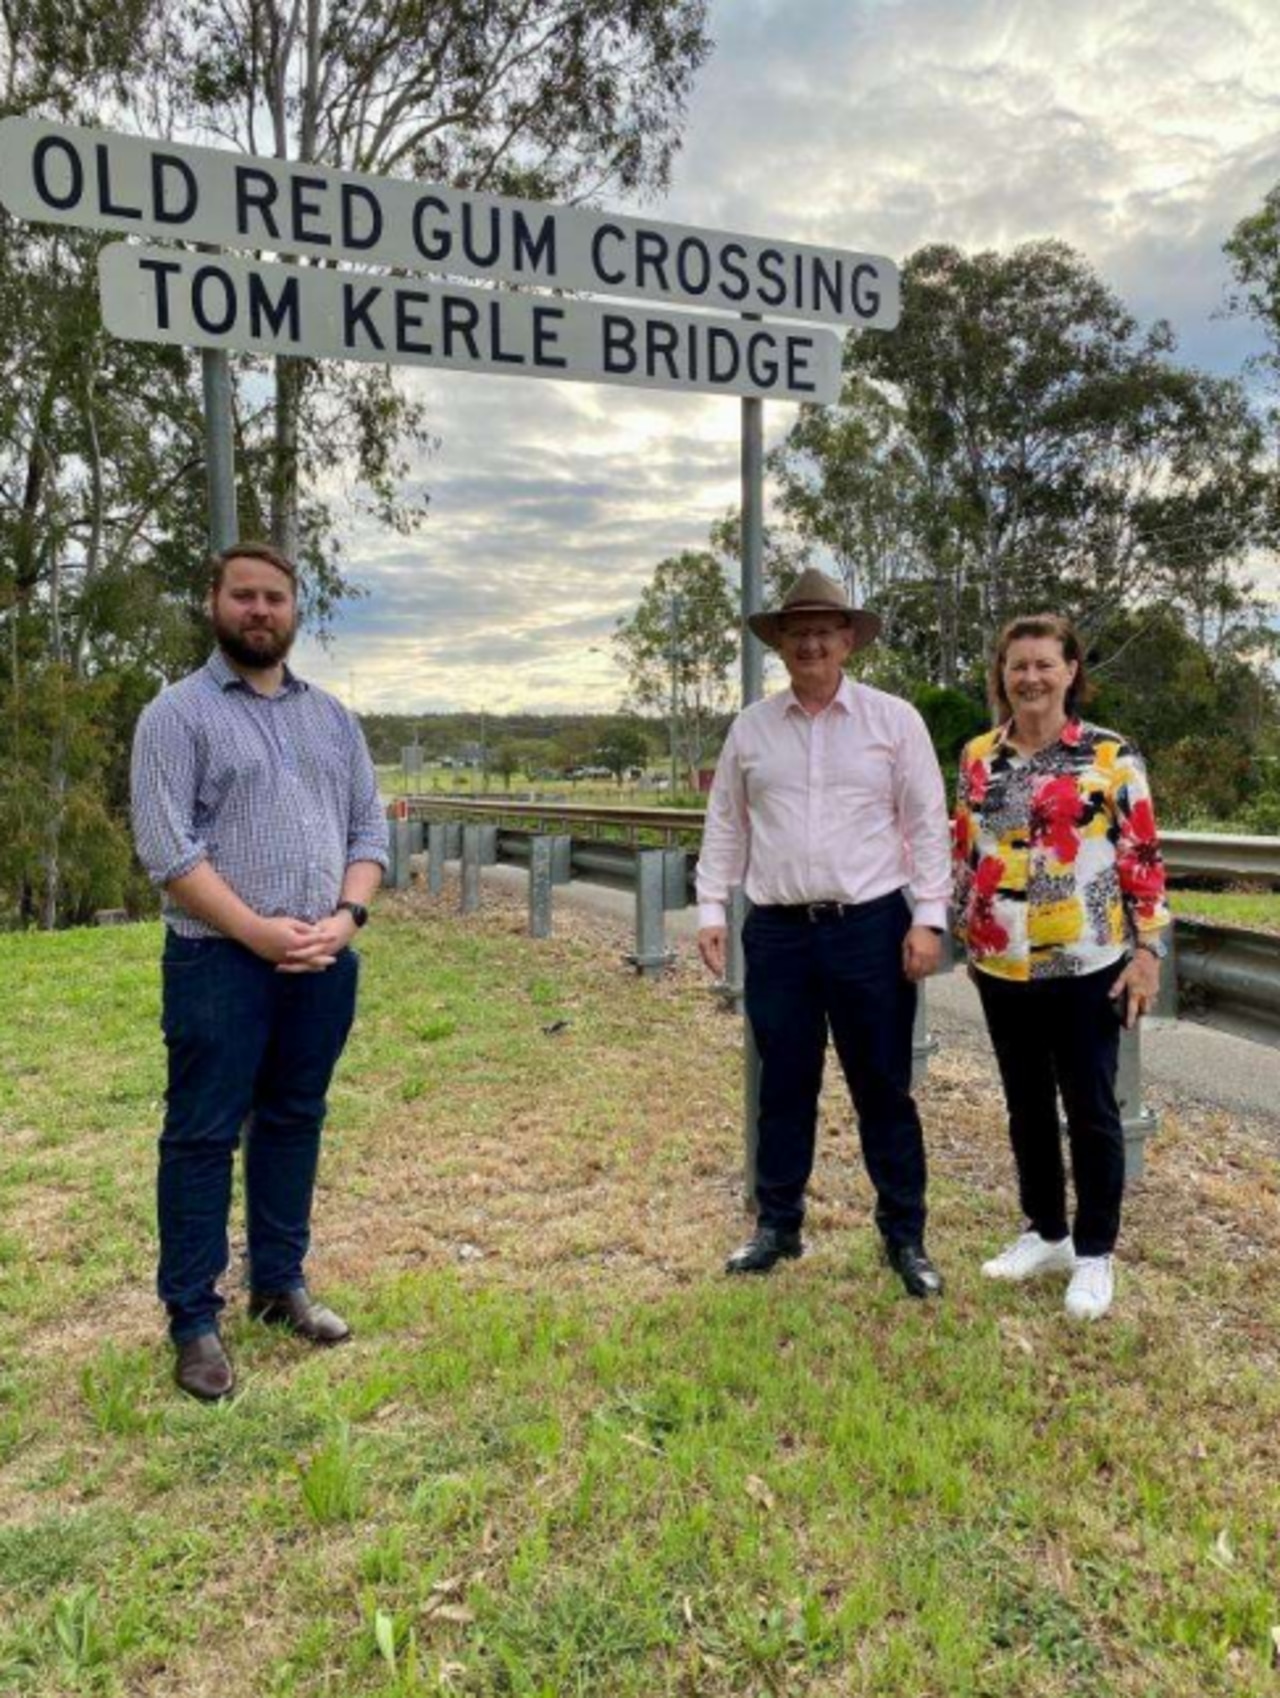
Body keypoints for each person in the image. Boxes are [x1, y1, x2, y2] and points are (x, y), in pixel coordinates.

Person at [131, 540, 389, 1400]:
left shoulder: (333, 719)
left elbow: (369, 836)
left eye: (275, 598)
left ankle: (280, 1285)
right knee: (203, 1132)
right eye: (243, 595)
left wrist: (344, 921)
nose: (259, 611)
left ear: (295, 612)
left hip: (322, 961)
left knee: (293, 1119)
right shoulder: (177, 714)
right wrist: (257, 933)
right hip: (217, 962)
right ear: (214, 603)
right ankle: (194, 1320)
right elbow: (169, 852)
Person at [696, 568, 951, 1297]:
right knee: (783, 1084)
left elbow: (925, 823)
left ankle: (904, 1236)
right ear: (779, 644)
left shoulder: (893, 721)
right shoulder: (752, 728)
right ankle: (779, 1226)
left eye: (824, 631)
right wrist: (712, 908)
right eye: (796, 632)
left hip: (871, 925)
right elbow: (726, 826)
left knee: (883, 1087)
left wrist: (929, 918)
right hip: (778, 932)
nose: (810, 642)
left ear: (847, 640)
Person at [954, 613, 1170, 1322]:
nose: (1032, 677)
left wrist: (1147, 951)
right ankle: (1045, 1231)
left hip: (1086, 962)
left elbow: (1142, 858)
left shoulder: (1110, 757)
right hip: (1002, 965)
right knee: (1024, 1107)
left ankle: (1094, 1251)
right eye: (1019, 665)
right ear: (1002, 674)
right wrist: (968, 933)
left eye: (1046, 663)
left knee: (1091, 1108)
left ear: (1071, 670)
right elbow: (967, 852)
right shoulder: (979, 757)